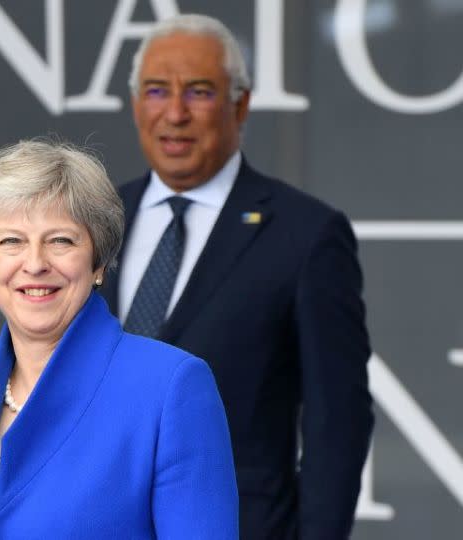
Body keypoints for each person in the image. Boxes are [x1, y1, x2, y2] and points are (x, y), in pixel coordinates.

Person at [99, 14, 374, 540]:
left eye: (199, 92)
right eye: (157, 90)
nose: (174, 113)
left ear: (240, 104)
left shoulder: (306, 234)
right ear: (136, 104)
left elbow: (337, 420)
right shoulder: (96, 218)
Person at [0, 139, 238, 539]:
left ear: (97, 263)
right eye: (11, 241)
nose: (35, 263)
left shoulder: (170, 388)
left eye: (61, 240)